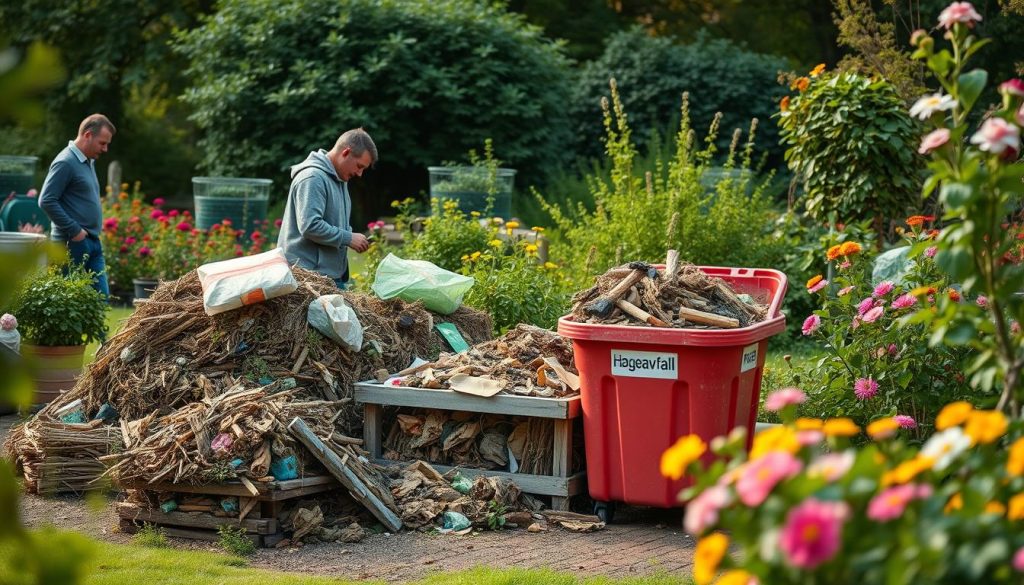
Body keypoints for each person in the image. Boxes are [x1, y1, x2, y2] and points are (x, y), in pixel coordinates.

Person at [278, 128, 376, 288]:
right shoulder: (313, 178)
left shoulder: (340, 179)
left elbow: (334, 224)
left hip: (328, 278)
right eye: (359, 166)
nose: (360, 174)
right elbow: (310, 226)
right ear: (346, 152)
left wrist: (352, 238)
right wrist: (348, 238)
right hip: (307, 280)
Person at [38, 113, 116, 299]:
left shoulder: (89, 161)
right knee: (67, 304)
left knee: (100, 301)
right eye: (102, 143)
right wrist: (75, 231)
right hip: (71, 243)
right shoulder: (65, 162)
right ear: (88, 135)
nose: (105, 149)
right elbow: (46, 200)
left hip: (92, 241)